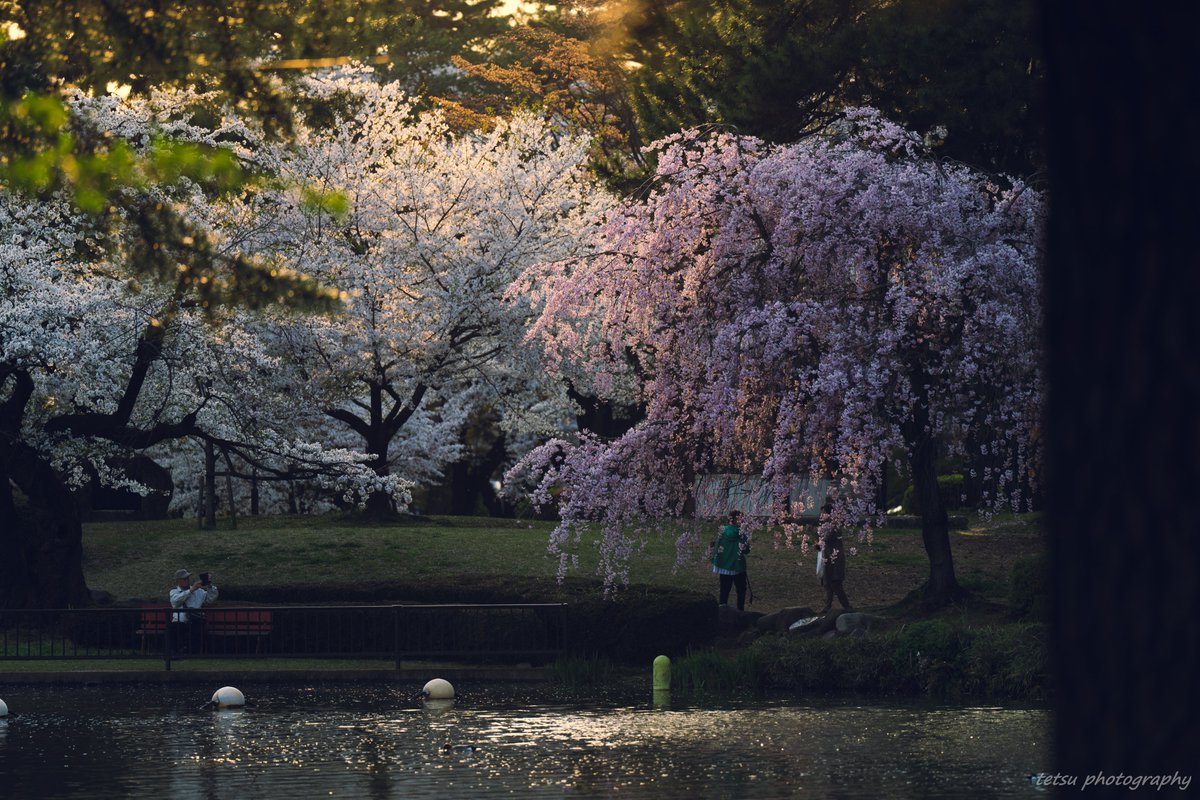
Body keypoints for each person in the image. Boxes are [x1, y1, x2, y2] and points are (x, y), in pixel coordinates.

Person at [169, 568, 218, 654]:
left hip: (195, 621)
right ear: (178, 581)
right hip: (179, 622)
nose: (187, 580)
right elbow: (176, 601)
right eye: (184, 579)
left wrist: (209, 585)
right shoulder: (174, 592)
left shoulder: (199, 591)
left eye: (187, 578)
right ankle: (174, 653)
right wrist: (191, 590)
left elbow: (210, 599)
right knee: (173, 630)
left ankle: (194, 654)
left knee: (198, 630)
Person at [710, 510, 750, 610]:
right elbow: (746, 550)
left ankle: (722, 611)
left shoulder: (723, 531)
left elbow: (718, 547)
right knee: (741, 590)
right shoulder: (741, 533)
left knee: (724, 590)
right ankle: (740, 611)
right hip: (737, 565)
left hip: (724, 565)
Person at [818, 526, 852, 614]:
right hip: (829, 560)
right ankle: (828, 606)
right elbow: (821, 544)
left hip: (835, 561)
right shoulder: (828, 528)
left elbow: (825, 539)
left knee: (835, 585)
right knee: (828, 585)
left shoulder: (833, 529)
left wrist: (814, 533)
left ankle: (846, 606)